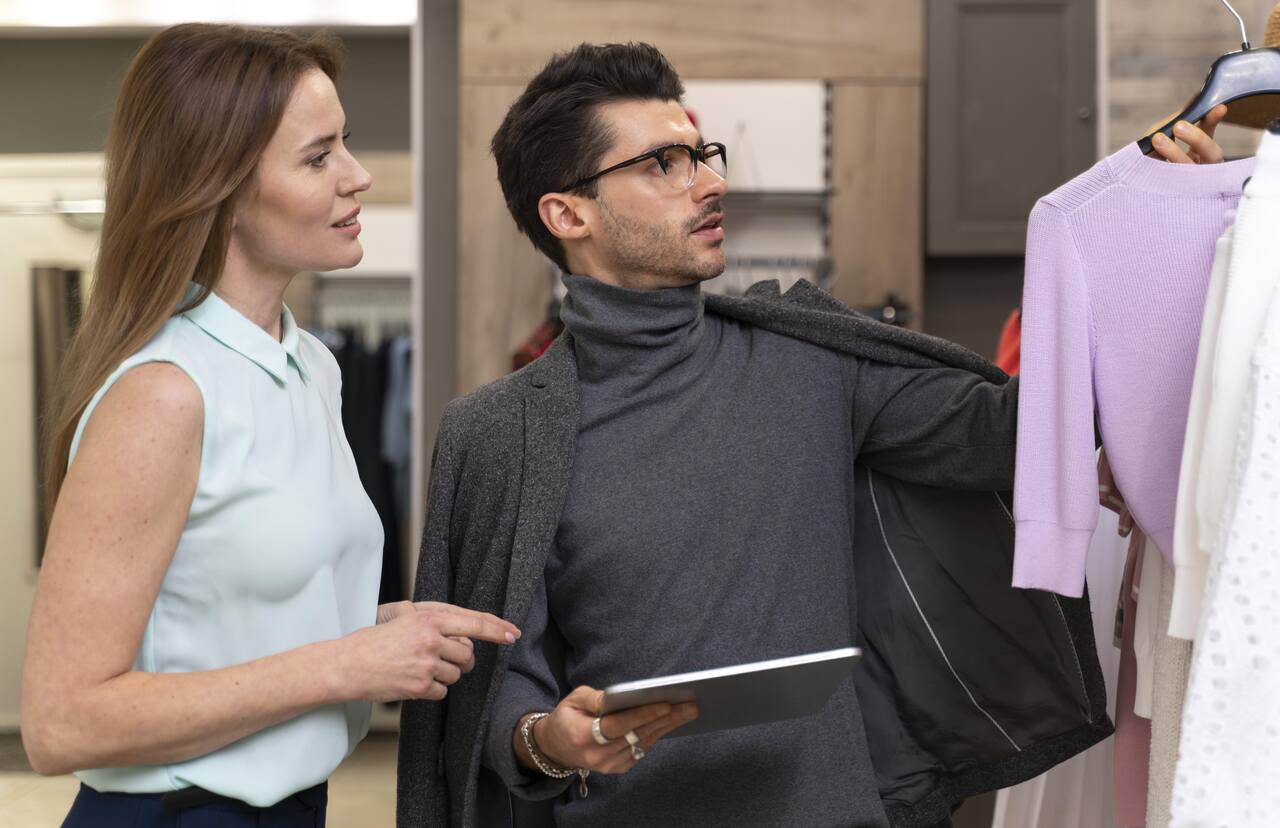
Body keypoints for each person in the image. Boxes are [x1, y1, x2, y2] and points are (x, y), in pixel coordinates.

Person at [394, 41, 1233, 828]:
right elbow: (494, 690)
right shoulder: (499, 434)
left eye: (701, 153)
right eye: (662, 164)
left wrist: (1140, 233)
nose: (709, 182)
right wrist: (550, 739)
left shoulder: (808, 355)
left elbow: (1016, 435)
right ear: (567, 214)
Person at [19, 23, 519, 827]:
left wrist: (385, 628)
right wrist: (345, 662)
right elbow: (60, 722)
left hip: (294, 807)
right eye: (318, 158)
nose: (357, 177)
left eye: (344, 145)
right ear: (218, 190)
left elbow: (242, 612)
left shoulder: (309, 364)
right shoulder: (164, 393)